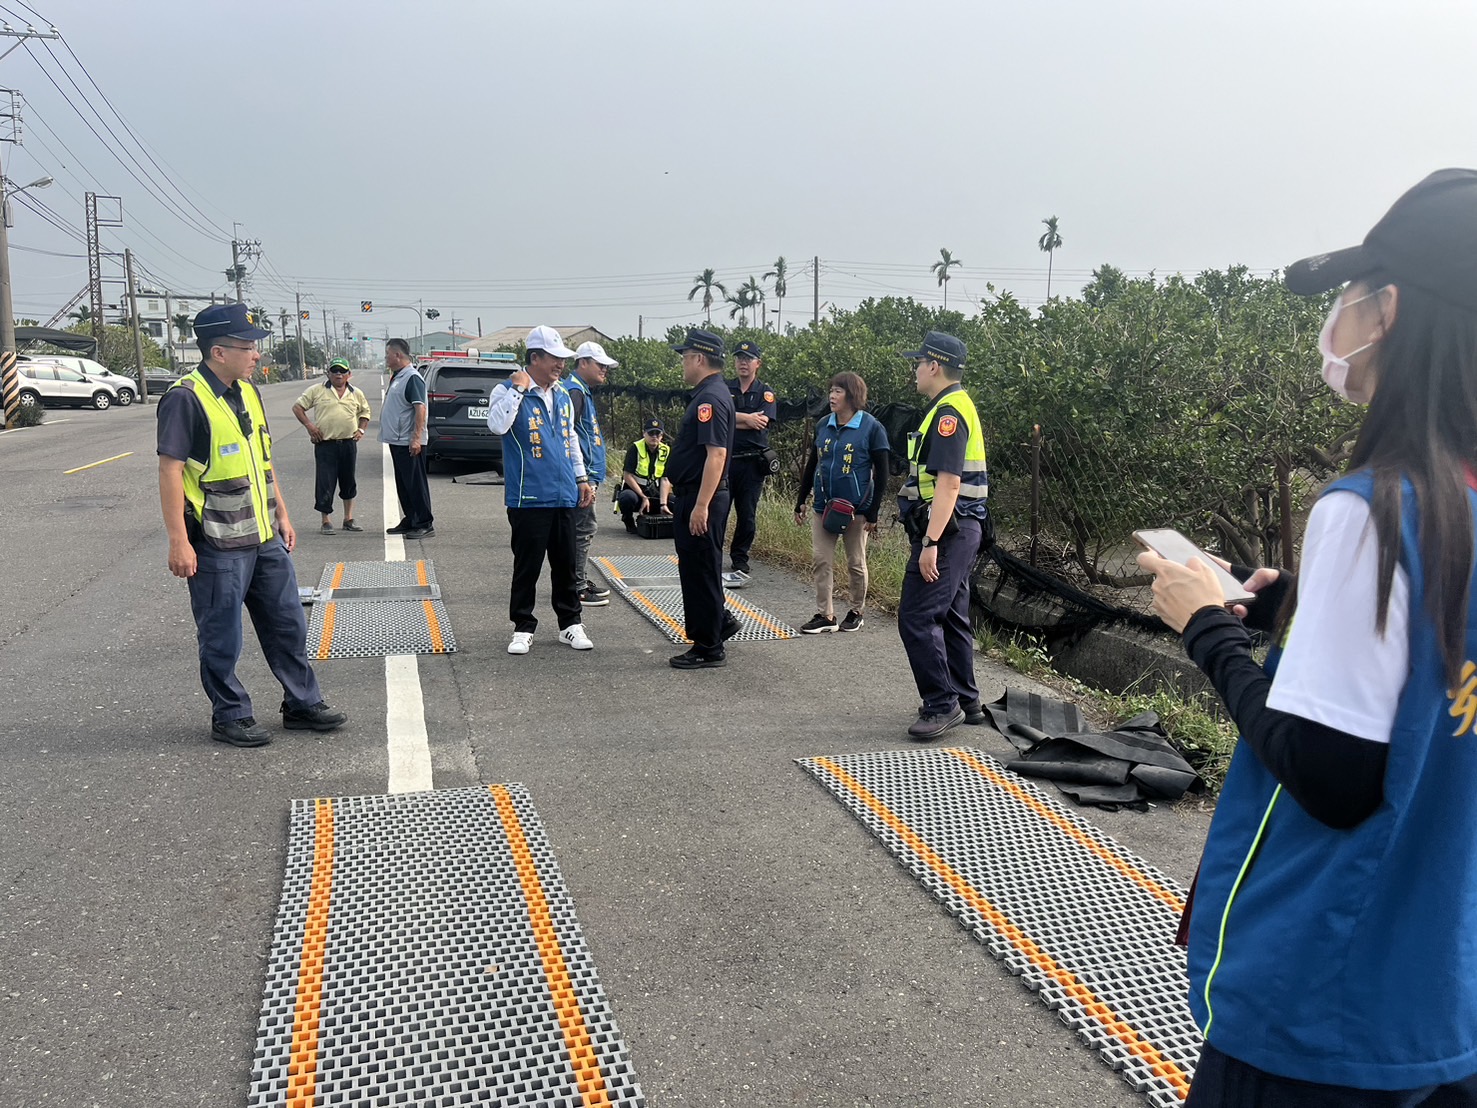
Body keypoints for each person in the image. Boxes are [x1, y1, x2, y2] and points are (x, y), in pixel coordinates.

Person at [1138, 168, 1477, 1105]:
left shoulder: (1374, 510)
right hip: (1443, 995)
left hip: (1321, 1002)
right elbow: (1427, 694)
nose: (1339, 317)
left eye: (1352, 294)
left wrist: (1208, 629)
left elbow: (1332, 774)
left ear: (1391, 311)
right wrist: (1296, 622)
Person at [156, 303, 346, 748]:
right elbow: (170, 471)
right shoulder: (185, 398)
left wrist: (281, 513)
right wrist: (178, 542)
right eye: (248, 347)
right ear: (219, 352)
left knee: (287, 625)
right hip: (217, 542)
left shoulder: (247, 392)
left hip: (262, 537)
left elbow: (262, 458)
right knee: (222, 635)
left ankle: (301, 703)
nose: (257, 354)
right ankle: (230, 713)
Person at [896, 330, 991, 740]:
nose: (915, 370)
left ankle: (941, 704)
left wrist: (931, 543)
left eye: (918, 363)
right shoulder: (953, 406)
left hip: (948, 531)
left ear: (934, 366)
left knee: (917, 616)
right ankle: (966, 700)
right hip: (959, 528)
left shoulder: (948, 413)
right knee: (951, 614)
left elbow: (949, 484)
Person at [485, 326, 597, 655]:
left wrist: (581, 478)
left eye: (563, 358)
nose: (560, 364)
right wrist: (518, 390)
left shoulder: (562, 394)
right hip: (528, 495)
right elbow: (497, 425)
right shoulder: (506, 390)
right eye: (554, 358)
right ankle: (522, 626)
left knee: (566, 564)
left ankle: (570, 624)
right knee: (528, 566)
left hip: (564, 493)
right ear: (535, 358)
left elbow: (570, 440)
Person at [794, 371, 891, 633]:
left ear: (852, 395)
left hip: (856, 509)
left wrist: (873, 511)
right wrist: (801, 499)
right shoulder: (823, 424)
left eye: (838, 391)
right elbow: (814, 462)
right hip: (824, 506)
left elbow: (882, 473)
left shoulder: (871, 427)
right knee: (821, 559)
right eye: (831, 390)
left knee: (855, 562)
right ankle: (826, 616)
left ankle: (856, 611)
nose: (832, 396)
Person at [667, 328, 739, 669]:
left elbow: (716, 455)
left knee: (701, 571)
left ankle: (708, 646)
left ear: (699, 358)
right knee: (699, 568)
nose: (683, 364)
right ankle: (718, 622)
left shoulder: (709, 398)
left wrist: (700, 505)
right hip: (697, 494)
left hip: (701, 496)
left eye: (685, 357)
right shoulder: (710, 393)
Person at [292, 356, 371, 534]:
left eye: (342, 371)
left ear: (348, 374)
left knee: (348, 481)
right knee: (325, 482)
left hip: (348, 444)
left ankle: (348, 519)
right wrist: (310, 426)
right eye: (334, 371)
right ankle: (325, 520)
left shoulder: (356, 393)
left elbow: (365, 412)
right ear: (328, 373)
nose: (338, 374)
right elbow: (298, 407)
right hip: (325, 444)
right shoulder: (316, 390)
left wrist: (361, 430)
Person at [567, 341, 615, 607]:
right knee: (583, 529)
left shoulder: (581, 390)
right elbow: (569, 435)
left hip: (587, 474)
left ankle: (578, 580)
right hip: (582, 475)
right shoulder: (574, 391)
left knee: (581, 529)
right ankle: (576, 586)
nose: (604, 370)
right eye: (600, 365)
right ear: (582, 362)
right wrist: (582, 477)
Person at [725, 339, 777, 579]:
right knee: (719, 510)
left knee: (746, 514)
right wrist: (747, 418)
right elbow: (719, 417)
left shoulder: (765, 393)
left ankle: (739, 558)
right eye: (739, 358)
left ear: (758, 363)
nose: (743, 363)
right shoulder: (725, 388)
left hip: (752, 464)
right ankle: (714, 553)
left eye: (748, 359)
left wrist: (734, 418)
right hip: (726, 460)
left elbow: (762, 422)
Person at [380, 338, 433, 539]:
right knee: (403, 483)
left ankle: (424, 522)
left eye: (387, 354)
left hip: (409, 441)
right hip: (397, 440)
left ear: (397, 355)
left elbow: (420, 408)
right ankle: (411, 519)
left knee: (415, 483)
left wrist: (416, 438)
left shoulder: (412, 377)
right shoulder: (399, 376)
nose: (385, 358)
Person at [617, 417, 673, 533]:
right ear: (644, 434)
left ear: (662, 436)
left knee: (677, 502)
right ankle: (628, 520)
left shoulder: (666, 451)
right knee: (627, 497)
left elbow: (665, 479)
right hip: (637, 494)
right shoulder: (635, 448)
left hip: (656, 494)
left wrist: (663, 504)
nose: (654, 436)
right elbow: (627, 475)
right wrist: (643, 497)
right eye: (651, 433)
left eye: (657, 433)